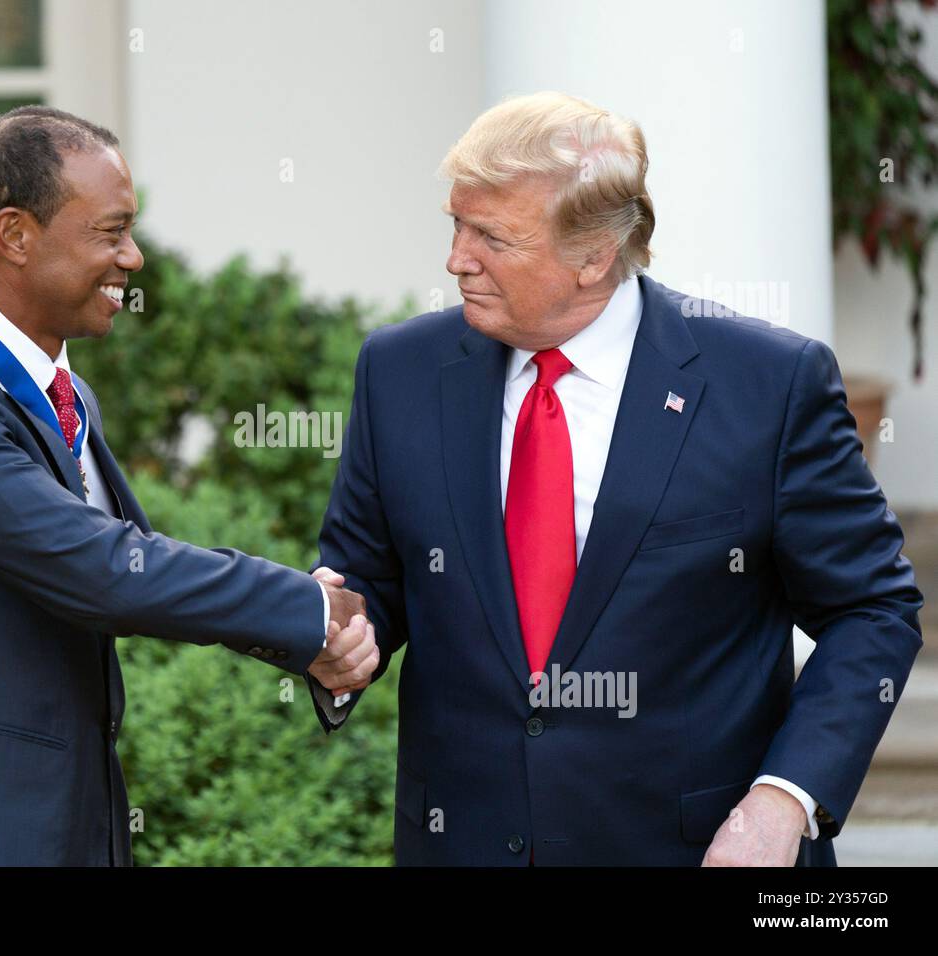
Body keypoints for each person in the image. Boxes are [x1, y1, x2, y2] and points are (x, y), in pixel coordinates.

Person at [309, 91, 924, 866]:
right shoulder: (399, 371)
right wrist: (337, 638)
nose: (456, 258)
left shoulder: (767, 385)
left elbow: (872, 610)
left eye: (491, 236)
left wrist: (784, 798)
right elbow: (367, 582)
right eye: (455, 224)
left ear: (594, 255)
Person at [0, 106, 373, 866]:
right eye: (110, 233)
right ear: (14, 235)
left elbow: (122, 569)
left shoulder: (61, 396)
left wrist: (306, 643)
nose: (133, 258)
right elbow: (100, 569)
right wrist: (305, 610)